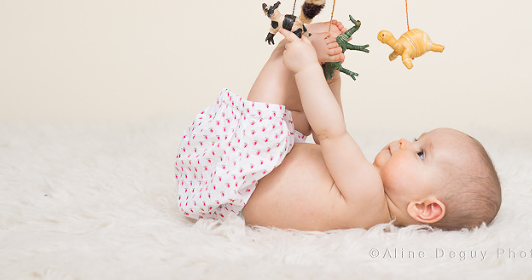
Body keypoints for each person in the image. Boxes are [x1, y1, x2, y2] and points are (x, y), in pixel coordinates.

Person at [174, 21, 501, 231]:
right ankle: (302, 44)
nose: (404, 141)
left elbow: (331, 132)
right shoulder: (369, 203)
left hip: (237, 172)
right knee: (300, 117)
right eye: (417, 139)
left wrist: (306, 68)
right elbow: (323, 131)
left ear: (425, 209)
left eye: (419, 153)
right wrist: (330, 79)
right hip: (238, 180)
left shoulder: (368, 194)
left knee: (282, 65)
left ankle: (294, 38)